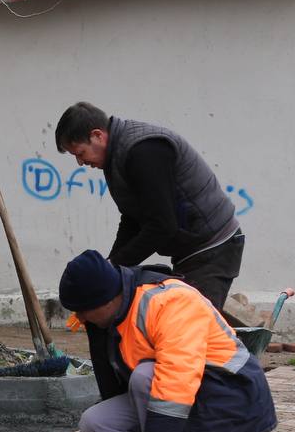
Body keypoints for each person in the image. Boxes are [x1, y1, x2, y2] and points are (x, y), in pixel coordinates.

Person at [57, 250, 276, 432]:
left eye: (82, 311)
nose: (80, 318)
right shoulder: (116, 314)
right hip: (184, 395)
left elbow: (173, 386)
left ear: (105, 299)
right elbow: (122, 384)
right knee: (95, 424)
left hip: (230, 395)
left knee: (146, 376)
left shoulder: (170, 302)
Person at [54, 102, 243, 310]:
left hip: (214, 246)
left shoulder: (143, 152)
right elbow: (133, 219)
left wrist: (116, 266)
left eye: (80, 153)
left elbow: (162, 225)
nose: (80, 163)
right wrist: (112, 265)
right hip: (194, 248)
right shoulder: (116, 155)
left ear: (98, 135)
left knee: (192, 326)